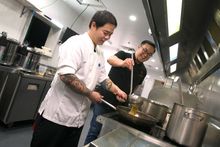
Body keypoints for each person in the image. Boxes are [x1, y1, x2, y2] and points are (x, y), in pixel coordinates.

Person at [30, 10, 127, 147]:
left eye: (110, 34)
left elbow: (104, 79)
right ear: (93, 25)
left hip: (77, 121)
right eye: (105, 33)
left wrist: (117, 91)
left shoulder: (99, 52)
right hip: (56, 117)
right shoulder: (76, 43)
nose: (107, 37)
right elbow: (66, 75)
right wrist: (90, 93)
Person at [84, 40, 156, 145]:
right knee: (94, 130)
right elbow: (110, 59)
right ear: (139, 46)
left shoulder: (143, 71)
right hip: (105, 99)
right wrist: (123, 63)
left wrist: (127, 96)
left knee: (108, 135)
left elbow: (134, 88)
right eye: (144, 50)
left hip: (120, 105)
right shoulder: (124, 55)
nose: (145, 55)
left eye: (149, 54)